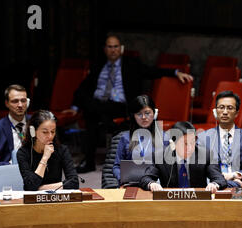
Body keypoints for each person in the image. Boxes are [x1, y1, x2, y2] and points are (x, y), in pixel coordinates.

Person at [73, 33, 193, 173]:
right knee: (91, 115)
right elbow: (84, 87)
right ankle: (89, 163)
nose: (113, 50)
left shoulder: (132, 64)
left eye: (116, 47)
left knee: (97, 113)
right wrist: (74, 107)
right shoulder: (98, 66)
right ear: (105, 49)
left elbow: (152, 71)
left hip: (121, 106)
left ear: (121, 48)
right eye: (110, 47)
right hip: (98, 105)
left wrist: (175, 72)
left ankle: (116, 156)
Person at [197, 90, 242, 188]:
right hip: (212, 187)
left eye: (230, 108)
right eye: (221, 107)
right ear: (215, 111)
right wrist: (228, 182)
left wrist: (235, 175)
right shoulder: (203, 138)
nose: (225, 112)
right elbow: (198, 171)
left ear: (237, 113)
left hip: (239, 191)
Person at [140, 121, 227, 193]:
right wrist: (152, 184)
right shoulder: (160, 156)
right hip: (170, 202)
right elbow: (145, 178)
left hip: (198, 201)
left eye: (192, 142)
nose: (190, 147)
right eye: (185, 143)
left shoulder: (205, 154)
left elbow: (220, 179)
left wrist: (214, 184)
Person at [102, 95, 163, 186]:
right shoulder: (124, 138)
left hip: (155, 185)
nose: (143, 117)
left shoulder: (163, 138)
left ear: (154, 114)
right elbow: (116, 166)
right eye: (139, 114)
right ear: (133, 116)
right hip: (130, 184)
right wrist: (122, 178)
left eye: (147, 113)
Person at [17, 110, 79, 191]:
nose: (50, 136)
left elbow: (74, 182)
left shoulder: (62, 150)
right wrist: (45, 158)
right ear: (33, 131)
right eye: (45, 132)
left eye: (53, 132)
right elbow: (30, 186)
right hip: (33, 201)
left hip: (55, 197)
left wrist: (40, 188)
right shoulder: (23, 153)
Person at [0, 84, 29, 165]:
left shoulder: (37, 123)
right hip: (9, 172)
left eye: (23, 100)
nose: (20, 105)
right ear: (7, 103)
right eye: (15, 101)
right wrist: (9, 166)